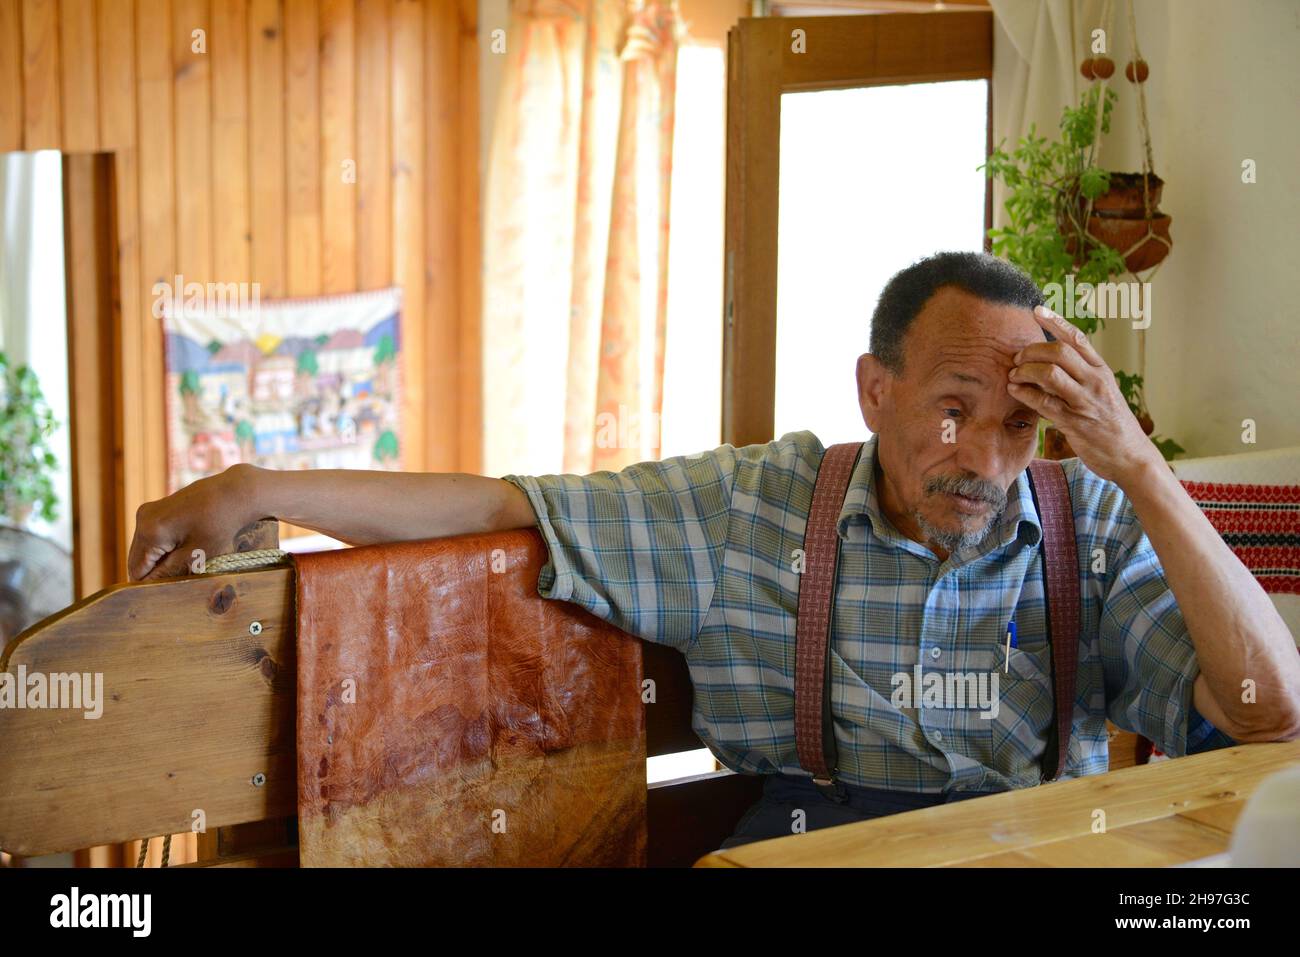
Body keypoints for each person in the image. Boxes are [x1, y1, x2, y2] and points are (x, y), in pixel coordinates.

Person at [129, 252, 1300, 848]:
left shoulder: (1090, 525)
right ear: (874, 391)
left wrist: (1139, 466)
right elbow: (507, 506)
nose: (985, 459)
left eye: (1017, 423)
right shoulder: (756, 512)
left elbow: (1267, 712)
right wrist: (258, 482)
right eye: (952, 410)